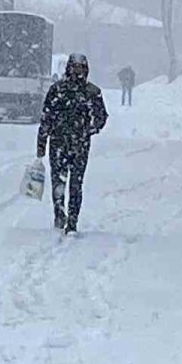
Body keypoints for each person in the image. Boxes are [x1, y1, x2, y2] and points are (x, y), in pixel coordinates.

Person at [37, 53, 109, 234]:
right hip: (59, 143)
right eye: (74, 67)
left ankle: (73, 220)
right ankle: (59, 213)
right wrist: (41, 143)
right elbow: (46, 117)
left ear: (85, 69)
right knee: (58, 182)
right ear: (68, 68)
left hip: (78, 145)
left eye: (80, 67)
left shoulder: (92, 92)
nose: (76, 71)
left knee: (75, 184)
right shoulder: (58, 89)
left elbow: (101, 117)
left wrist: (90, 130)